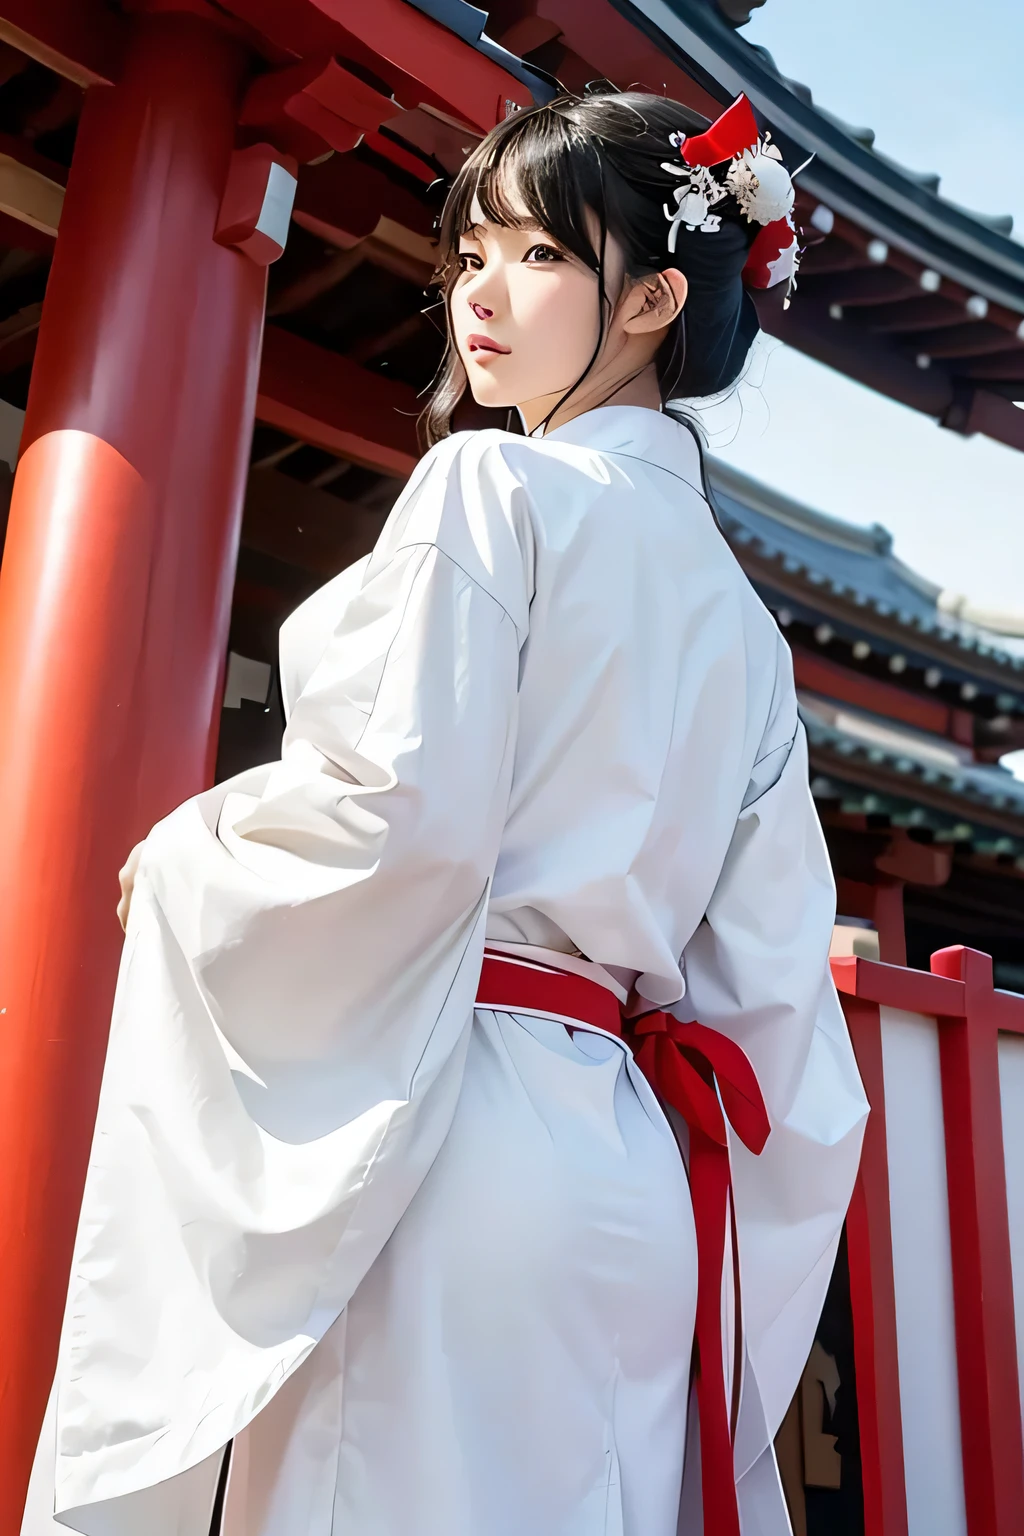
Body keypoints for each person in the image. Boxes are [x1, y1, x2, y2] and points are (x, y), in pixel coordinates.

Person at [24, 91, 868, 1536]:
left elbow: (390, 823)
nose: (479, 290)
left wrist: (189, 856)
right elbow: (783, 1018)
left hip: (452, 1137)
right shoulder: (745, 630)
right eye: (470, 251)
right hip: (632, 1174)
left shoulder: (494, 489)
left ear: (655, 298)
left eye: (538, 255)